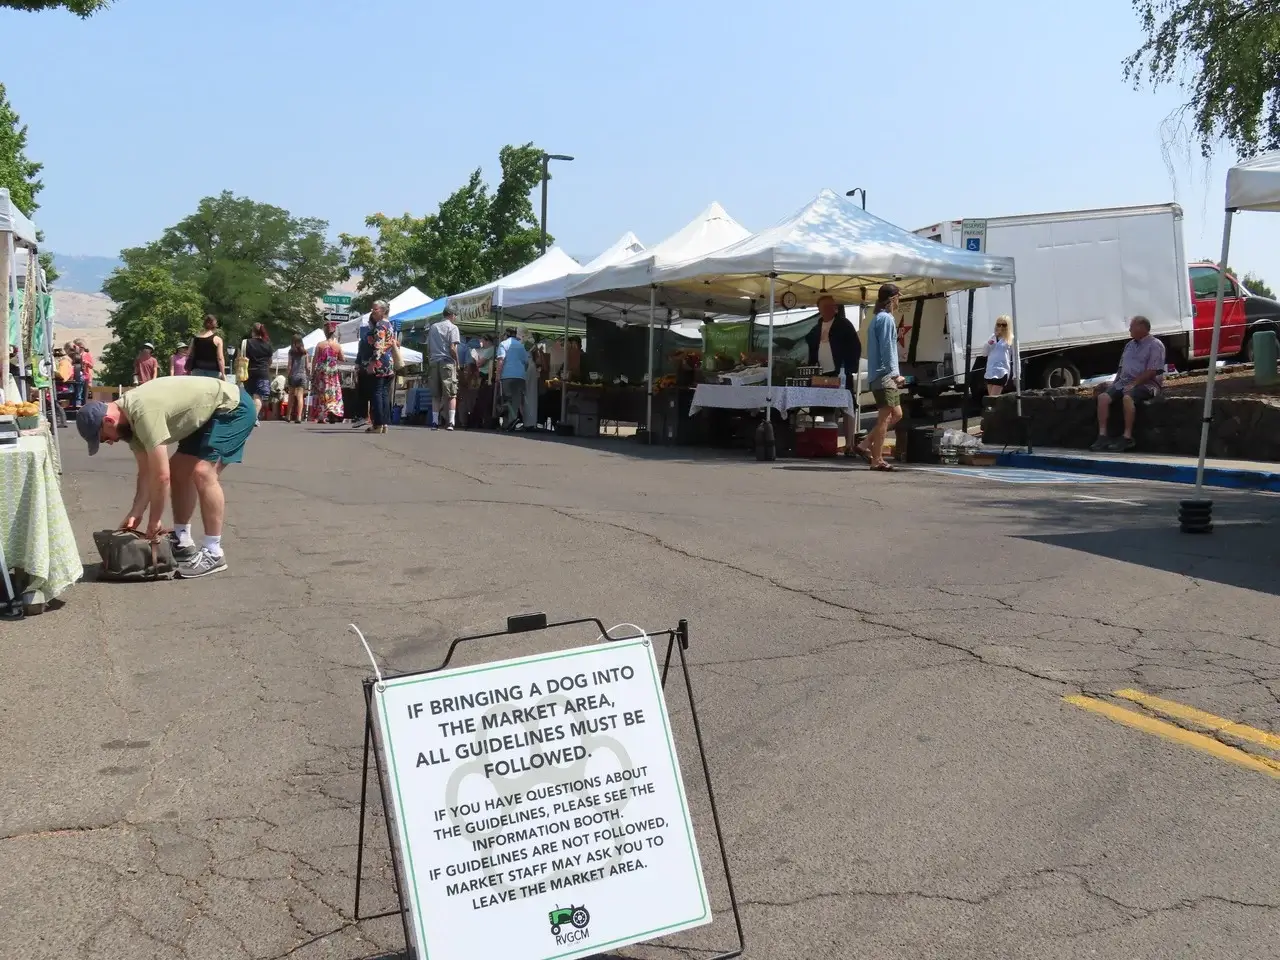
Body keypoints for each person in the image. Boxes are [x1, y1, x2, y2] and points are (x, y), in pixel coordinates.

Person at [75, 375, 257, 579]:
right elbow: (147, 473)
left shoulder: (143, 413)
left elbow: (161, 477)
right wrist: (136, 514)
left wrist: (155, 520)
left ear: (108, 421)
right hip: (209, 414)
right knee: (179, 469)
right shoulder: (130, 428)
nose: (109, 442)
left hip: (233, 407)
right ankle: (182, 540)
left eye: (104, 438)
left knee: (203, 472)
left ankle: (213, 552)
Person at [1092, 316, 1166, 452]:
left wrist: (1134, 383)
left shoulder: (1155, 345)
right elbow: (1121, 367)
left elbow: (1152, 371)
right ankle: (1102, 436)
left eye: (1132, 326)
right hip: (1124, 382)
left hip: (1147, 384)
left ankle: (1127, 437)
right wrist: (1114, 384)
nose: (1129, 329)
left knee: (1128, 397)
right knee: (1103, 398)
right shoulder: (1130, 345)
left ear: (1141, 327)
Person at [805, 295, 862, 457]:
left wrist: (850, 367)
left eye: (832, 306)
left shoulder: (844, 324)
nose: (830, 309)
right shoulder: (817, 326)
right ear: (819, 309)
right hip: (823, 372)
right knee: (828, 407)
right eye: (825, 306)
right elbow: (811, 343)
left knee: (847, 406)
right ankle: (831, 443)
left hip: (841, 371)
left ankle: (850, 444)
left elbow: (855, 346)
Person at [858, 283, 906, 471]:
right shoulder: (886, 319)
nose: (899, 300)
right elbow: (887, 347)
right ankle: (876, 459)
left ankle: (864, 445)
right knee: (885, 417)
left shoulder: (877, 318)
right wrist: (895, 374)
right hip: (884, 374)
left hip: (880, 373)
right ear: (893, 299)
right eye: (898, 297)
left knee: (897, 414)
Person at [361, 299, 396, 434]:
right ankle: (384, 423)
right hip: (389, 361)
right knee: (384, 394)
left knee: (377, 392)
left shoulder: (380, 326)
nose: (372, 311)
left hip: (380, 362)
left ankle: (378, 424)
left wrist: (373, 363)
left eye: (375, 309)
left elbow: (378, 346)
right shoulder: (390, 324)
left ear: (382, 311)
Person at [427, 303, 461, 430]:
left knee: (436, 394)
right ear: (452, 315)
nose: (455, 317)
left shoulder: (433, 327)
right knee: (452, 393)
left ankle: (435, 422)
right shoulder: (453, 328)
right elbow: (453, 348)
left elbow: (429, 347)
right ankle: (451, 422)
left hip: (434, 362)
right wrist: (457, 361)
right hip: (447, 362)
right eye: (455, 315)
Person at [310, 320, 345, 423]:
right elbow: (342, 358)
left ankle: (322, 415)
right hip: (332, 372)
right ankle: (332, 410)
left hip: (321, 371)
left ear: (325, 332)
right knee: (333, 392)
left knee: (321, 392)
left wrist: (312, 372)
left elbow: (315, 360)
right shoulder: (337, 345)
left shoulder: (320, 345)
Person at [496, 326, 531, 430]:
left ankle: (510, 421)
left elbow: (501, 360)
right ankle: (511, 422)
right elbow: (526, 362)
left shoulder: (503, 344)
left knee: (507, 399)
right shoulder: (521, 346)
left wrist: (498, 375)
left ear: (506, 334)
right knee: (516, 400)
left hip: (507, 375)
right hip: (520, 376)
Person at [243, 323, 274, 415]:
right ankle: (254, 417)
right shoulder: (267, 344)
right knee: (258, 396)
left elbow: (241, 357)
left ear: (253, 331)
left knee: (248, 396)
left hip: (248, 372)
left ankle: (248, 417)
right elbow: (270, 361)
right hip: (263, 372)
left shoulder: (246, 342)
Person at [983, 316, 1016, 397]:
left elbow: (1016, 357)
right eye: (998, 324)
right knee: (991, 400)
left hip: (1002, 372)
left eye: (1004, 325)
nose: (1000, 327)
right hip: (990, 372)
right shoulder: (992, 337)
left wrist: (1016, 375)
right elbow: (984, 353)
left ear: (1008, 326)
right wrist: (989, 343)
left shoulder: (1011, 338)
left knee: (993, 399)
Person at [285, 334, 311, 423]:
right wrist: (309, 376)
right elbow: (307, 366)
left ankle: (288, 416)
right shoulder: (305, 352)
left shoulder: (291, 352)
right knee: (300, 396)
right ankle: (299, 417)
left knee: (291, 396)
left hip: (293, 375)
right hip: (302, 376)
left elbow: (289, 366)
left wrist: (287, 376)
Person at [75, 338, 95, 403]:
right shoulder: (74, 355)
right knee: (78, 394)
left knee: (84, 395)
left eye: (81, 347)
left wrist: (86, 362)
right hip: (77, 377)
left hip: (86, 377)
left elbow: (91, 366)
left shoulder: (87, 355)